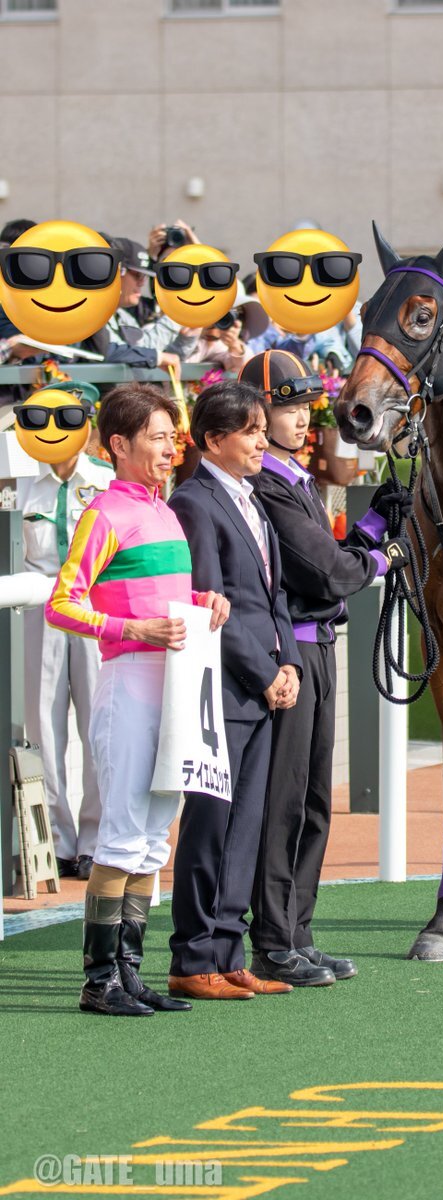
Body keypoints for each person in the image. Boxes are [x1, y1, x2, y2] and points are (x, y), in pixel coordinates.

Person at [45, 382, 230, 1016]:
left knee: (154, 839)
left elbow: (165, 598)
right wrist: (134, 629)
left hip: (175, 686)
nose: (172, 446)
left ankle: (129, 972)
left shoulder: (167, 511)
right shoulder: (104, 513)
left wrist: (206, 604)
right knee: (123, 837)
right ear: (119, 445)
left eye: (173, 435)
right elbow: (62, 604)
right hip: (129, 686)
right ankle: (98, 982)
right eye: (158, 435)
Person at [242, 350, 411, 987]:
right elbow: (332, 573)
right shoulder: (267, 484)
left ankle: (296, 934)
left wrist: (371, 525)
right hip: (290, 656)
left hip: (317, 648)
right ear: (254, 414)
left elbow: (334, 559)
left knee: (314, 802)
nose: (302, 420)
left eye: (304, 407)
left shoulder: (295, 480)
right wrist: (385, 555)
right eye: (286, 408)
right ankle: (273, 940)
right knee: (285, 804)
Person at [167, 380, 303, 1001]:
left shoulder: (250, 499)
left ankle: (229, 951)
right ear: (213, 440)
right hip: (221, 690)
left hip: (263, 688)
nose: (260, 438)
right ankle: (193, 957)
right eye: (248, 430)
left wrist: (291, 664)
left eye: (260, 427)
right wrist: (264, 673)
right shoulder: (195, 501)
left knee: (245, 825)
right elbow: (209, 604)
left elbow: (275, 597)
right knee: (211, 824)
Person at [16, 381, 113, 879]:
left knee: (97, 725)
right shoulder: (23, 486)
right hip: (41, 610)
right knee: (42, 727)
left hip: (92, 609)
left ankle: (94, 841)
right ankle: (57, 841)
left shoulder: (108, 480)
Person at [84, 238, 196, 371]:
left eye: (144, 277)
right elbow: (108, 351)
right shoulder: (84, 309)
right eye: (138, 275)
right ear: (117, 271)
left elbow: (144, 349)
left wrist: (185, 338)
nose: (142, 283)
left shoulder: (123, 316)